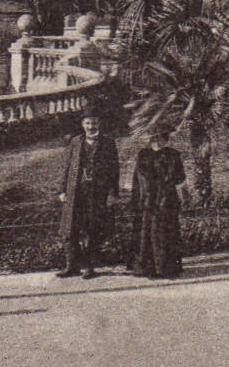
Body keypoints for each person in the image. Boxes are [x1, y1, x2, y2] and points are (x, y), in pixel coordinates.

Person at [56, 115, 120, 279]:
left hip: (97, 193)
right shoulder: (76, 142)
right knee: (70, 229)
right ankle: (71, 266)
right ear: (82, 125)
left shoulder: (107, 143)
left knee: (92, 229)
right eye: (87, 123)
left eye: (94, 123)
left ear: (99, 123)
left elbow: (114, 170)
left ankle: (90, 267)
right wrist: (62, 190)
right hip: (76, 191)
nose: (91, 126)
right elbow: (67, 166)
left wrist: (112, 193)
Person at [130, 127, 186, 278]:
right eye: (153, 138)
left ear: (166, 139)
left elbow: (180, 178)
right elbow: (137, 180)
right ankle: (148, 268)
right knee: (147, 233)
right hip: (148, 200)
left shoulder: (173, 155)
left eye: (160, 138)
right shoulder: (143, 155)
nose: (156, 142)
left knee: (165, 233)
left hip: (166, 199)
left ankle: (167, 268)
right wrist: (137, 199)